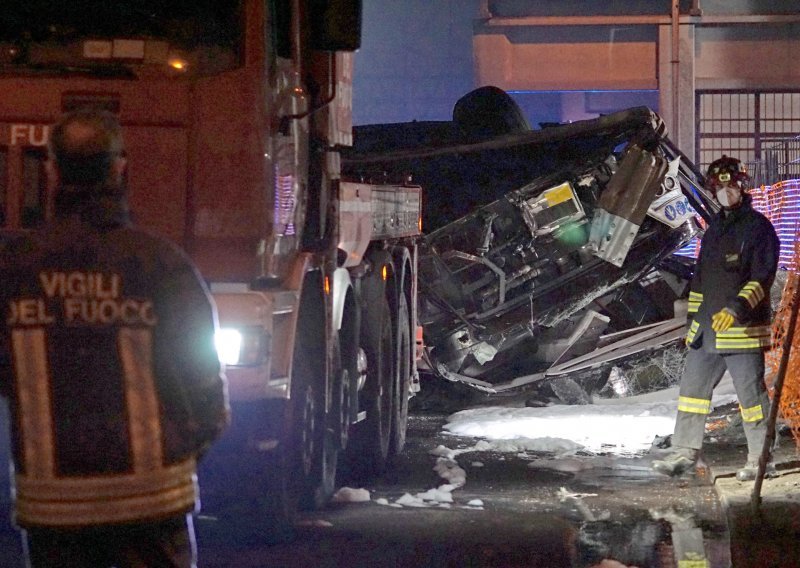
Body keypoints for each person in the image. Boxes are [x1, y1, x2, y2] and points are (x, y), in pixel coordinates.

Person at [0, 108, 230, 567]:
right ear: (119, 167)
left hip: (53, 513)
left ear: (52, 170)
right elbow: (208, 391)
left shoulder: (13, 270)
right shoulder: (162, 265)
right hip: (153, 510)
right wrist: (178, 457)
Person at [652, 155, 780, 482]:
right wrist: (693, 324)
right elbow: (700, 283)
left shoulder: (759, 229)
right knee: (692, 394)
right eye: (719, 185)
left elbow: (761, 279)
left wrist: (735, 309)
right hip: (706, 333)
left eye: (730, 184)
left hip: (742, 332)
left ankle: (761, 459)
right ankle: (684, 453)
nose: (725, 191)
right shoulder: (713, 232)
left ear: (741, 185)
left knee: (751, 399)